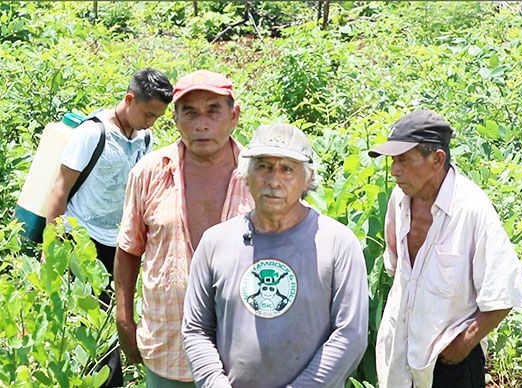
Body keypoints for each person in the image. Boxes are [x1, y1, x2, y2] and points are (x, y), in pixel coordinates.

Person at [182, 123, 369, 387]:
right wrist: (215, 383)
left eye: (287, 169)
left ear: (307, 179)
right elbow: (196, 328)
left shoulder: (338, 243)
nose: (273, 181)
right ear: (246, 175)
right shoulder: (216, 242)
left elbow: (351, 334)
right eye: (263, 166)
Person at [369, 109, 522, 388]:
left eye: (403, 160)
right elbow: (398, 269)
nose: (394, 170)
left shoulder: (471, 209)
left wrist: (463, 345)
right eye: (393, 161)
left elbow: (505, 291)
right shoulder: (399, 199)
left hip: (450, 364)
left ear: (437, 159)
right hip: (401, 355)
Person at [114, 70, 254, 387]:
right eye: (189, 113)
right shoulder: (149, 173)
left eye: (213, 111)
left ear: (234, 116)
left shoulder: (259, 177)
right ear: (175, 119)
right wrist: (124, 320)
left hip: (239, 354)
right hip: (167, 347)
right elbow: (128, 248)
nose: (201, 124)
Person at [46, 68, 173, 387]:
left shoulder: (144, 137)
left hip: (118, 242)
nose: (150, 122)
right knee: (87, 317)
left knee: (110, 316)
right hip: (80, 239)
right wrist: (53, 248)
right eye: (147, 113)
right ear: (129, 99)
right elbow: (60, 188)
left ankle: (100, 379)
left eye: (157, 117)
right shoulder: (93, 133)